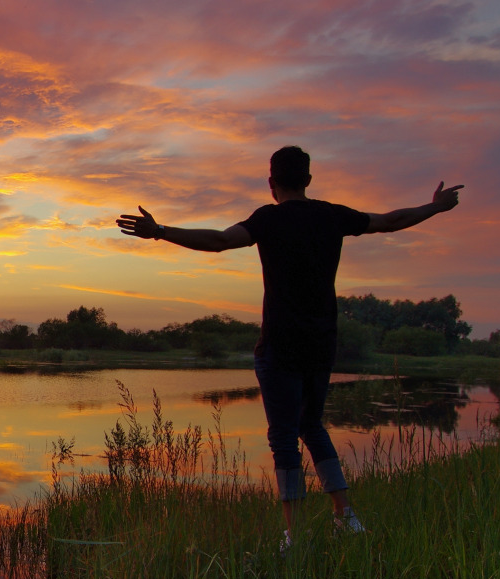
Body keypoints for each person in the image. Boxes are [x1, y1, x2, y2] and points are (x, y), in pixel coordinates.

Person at [116, 146, 461, 548]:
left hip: (280, 343)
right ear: (309, 180)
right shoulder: (332, 215)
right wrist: (434, 208)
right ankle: (345, 517)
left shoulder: (268, 218)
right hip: (321, 342)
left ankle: (295, 536)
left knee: (283, 437)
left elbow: (218, 241)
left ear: (271, 183)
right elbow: (391, 220)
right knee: (311, 425)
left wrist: (160, 232)